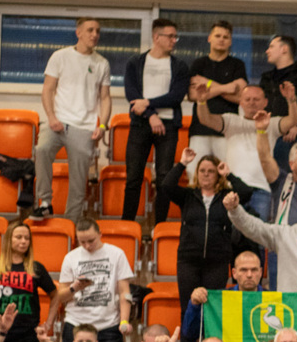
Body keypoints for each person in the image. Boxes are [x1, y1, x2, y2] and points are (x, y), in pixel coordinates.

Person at [155, 152, 258, 342]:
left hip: (217, 262)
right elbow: (167, 186)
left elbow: (246, 193)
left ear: (217, 175)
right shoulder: (188, 196)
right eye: (202, 170)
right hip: (188, 261)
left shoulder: (226, 197)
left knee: (212, 310)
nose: (206, 174)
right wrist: (182, 163)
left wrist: (229, 175)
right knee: (188, 308)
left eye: (211, 171)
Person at [33, 16, 112, 220]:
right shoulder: (60, 57)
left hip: (84, 127)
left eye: (98, 31)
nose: (95, 35)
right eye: (90, 30)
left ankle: (71, 221)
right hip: (57, 121)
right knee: (41, 149)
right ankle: (45, 202)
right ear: (78, 33)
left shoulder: (102, 63)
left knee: (78, 178)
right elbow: (47, 90)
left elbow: (105, 98)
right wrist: (51, 117)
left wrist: (102, 125)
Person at [121, 18, 190, 222]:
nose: (174, 40)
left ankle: (159, 225)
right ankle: (127, 223)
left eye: (175, 37)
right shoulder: (136, 62)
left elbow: (176, 96)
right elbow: (132, 95)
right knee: (133, 177)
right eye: (170, 36)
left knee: (164, 179)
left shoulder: (179, 66)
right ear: (156, 37)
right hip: (140, 124)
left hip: (168, 126)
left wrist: (148, 103)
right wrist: (151, 115)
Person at [189, 82, 283, 220]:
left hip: (262, 189)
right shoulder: (231, 121)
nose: (252, 103)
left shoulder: (273, 123)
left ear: (265, 102)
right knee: (230, 237)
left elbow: (294, 119)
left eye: (256, 99)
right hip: (233, 189)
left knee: (259, 238)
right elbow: (205, 119)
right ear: (240, 102)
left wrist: (291, 100)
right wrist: (202, 102)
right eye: (248, 99)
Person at [54, 218, 136, 342]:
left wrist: (124, 320)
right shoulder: (70, 258)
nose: (87, 246)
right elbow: (60, 296)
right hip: (76, 325)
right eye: (82, 242)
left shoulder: (116, 254)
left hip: (107, 326)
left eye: (91, 240)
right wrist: (75, 287)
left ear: (100, 234)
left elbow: (125, 292)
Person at [181, 250, 268, 342]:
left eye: (254, 270)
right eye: (244, 270)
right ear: (234, 273)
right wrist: (194, 305)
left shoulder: (274, 301)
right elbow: (189, 333)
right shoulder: (218, 301)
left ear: (260, 272)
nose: (249, 275)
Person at [184, 19, 247, 163]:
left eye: (226, 37)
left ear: (230, 41)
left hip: (227, 131)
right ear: (209, 38)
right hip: (200, 129)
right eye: (218, 36)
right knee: (195, 175)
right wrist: (226, 88)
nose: (221, 40)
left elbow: (241, 98)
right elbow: (193, 95)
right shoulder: (199, 64)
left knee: (227, 176)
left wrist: (207, 83)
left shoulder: (237, 65)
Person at [257, 33, 297, 167]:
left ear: (284, 49)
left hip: (288, 136)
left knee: (284, 178)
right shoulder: (267, 77)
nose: (267, 51)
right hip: (266, 133)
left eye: (271, 47)